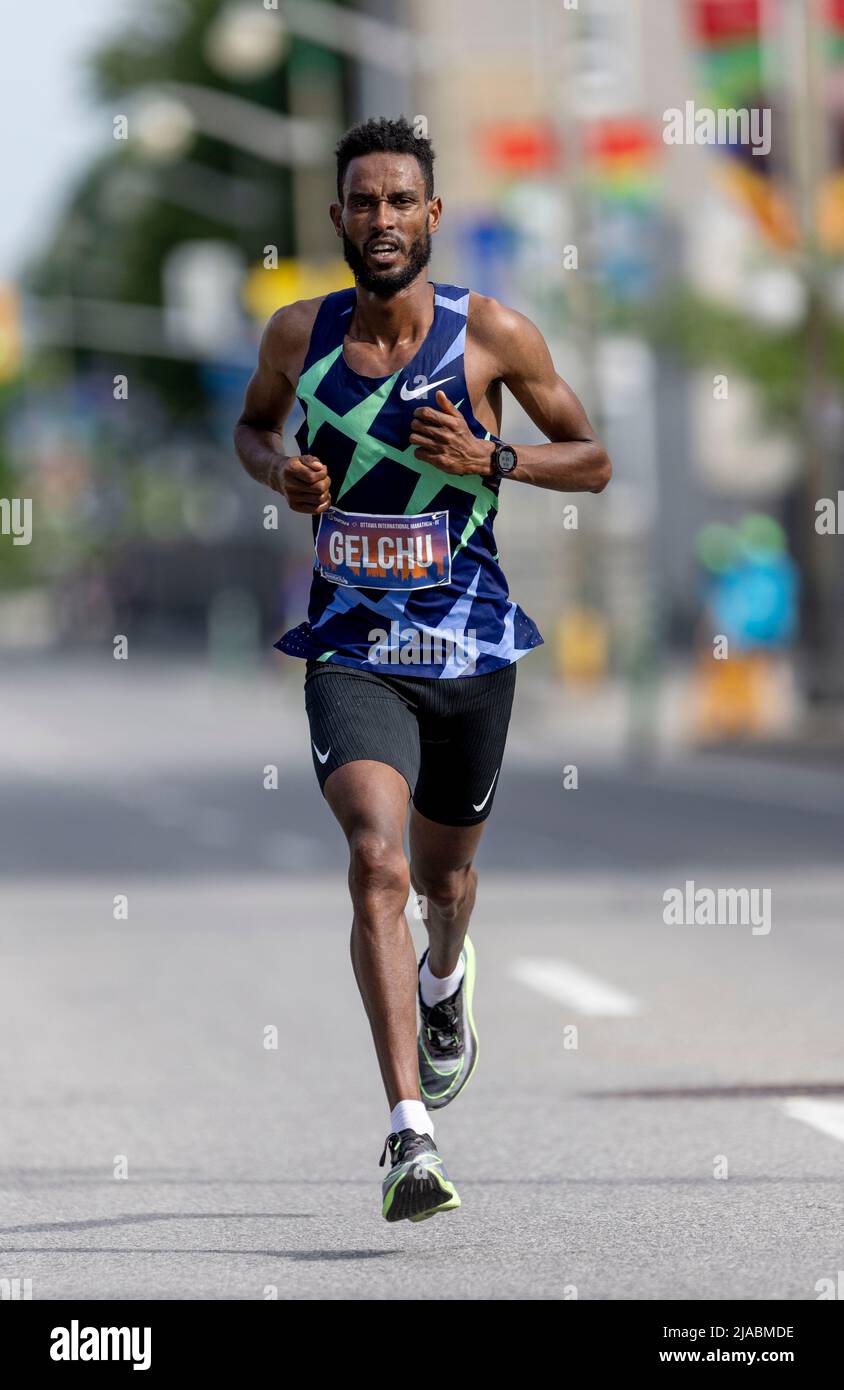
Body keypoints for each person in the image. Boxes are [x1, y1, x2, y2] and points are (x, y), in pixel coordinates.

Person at [234, 116, 611, 1223]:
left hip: (470, 650)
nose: (383, 219)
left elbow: (589, 460)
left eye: (402, 201)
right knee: (375, 864)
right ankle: (409, 1132)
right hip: (353, 650)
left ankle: (447, 979)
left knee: (444, 885)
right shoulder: (297, 335)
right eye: (363, 201)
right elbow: (254, 429)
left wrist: (495, 456)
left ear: (431, 216)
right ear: (338, 215)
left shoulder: (490, 334)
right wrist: (282, 475)